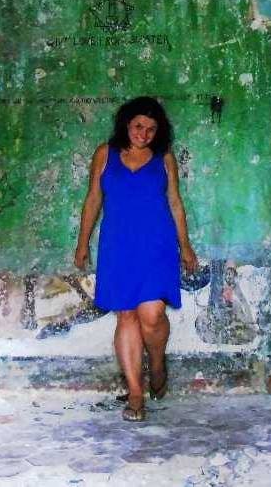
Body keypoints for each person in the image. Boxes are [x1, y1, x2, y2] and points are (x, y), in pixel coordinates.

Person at [74, 96, 198, 421]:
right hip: (118, 245)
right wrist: (82, 243)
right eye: (138, 126)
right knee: (126, 315)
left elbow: (175, 203)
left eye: (151, 129)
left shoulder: (164, 159)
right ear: (126, 124)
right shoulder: (105, 154)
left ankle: (156, 361)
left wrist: (185, 246)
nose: (143, 134)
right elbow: (93, 199)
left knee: (152, 314)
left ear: (159, 132)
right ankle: (136, 394)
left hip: (157, 244)